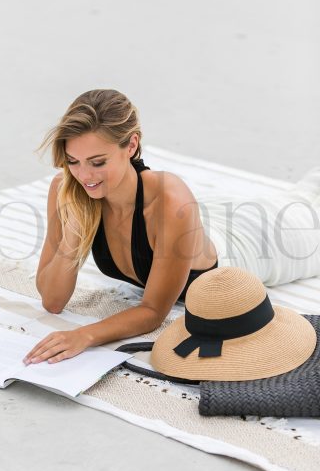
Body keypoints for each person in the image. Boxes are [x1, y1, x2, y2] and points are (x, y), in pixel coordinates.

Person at [23, 89, 320, 366]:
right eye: (73, 161)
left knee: (309, 205)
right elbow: (52, 301)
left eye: (98, 162)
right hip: (203, 220)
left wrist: (85, 334)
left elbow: (153, 311)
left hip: (260, 244)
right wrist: (73, 238)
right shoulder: (67, 188)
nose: (84, 175)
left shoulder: (169, 199)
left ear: (132, 145)